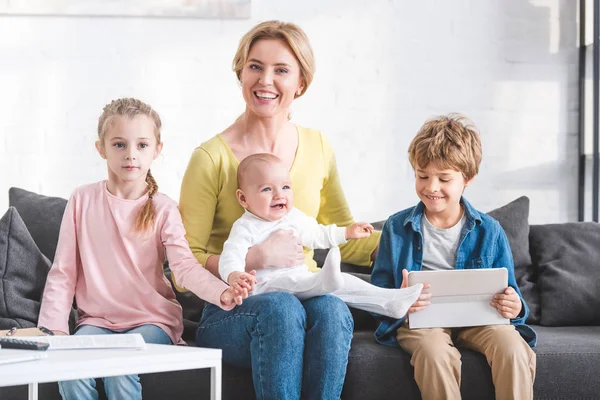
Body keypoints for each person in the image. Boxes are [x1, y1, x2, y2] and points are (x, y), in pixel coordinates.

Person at [179, 20, 380, 399]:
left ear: (301, 83)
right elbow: (184, 262)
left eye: (281, 70)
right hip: (232, 313)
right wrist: (253, 257)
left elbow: (343, 237)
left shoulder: (318, 146)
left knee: (332, 309)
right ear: (240, 72)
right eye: (255, 66)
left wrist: (413, 244)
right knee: (281, 308)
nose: (265, 80)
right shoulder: (210, 158)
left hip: (302, 295)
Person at [38, 98, 251, 400]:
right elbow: (63, 273)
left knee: (120, 367)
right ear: (101, 148)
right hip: (96, 323)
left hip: (152, 322)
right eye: (119, 144)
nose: (131, 155)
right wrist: (55, 331)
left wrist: (221, 292)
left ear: (156, 150)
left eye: (141, 145)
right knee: (70, 372)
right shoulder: (82, 200)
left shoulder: (163, 208)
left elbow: (185, 268)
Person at [371, 113, 537, 400]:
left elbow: (511, 292)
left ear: (468, 179)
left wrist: (513, 305)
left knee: (512, 348)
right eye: (422, 176)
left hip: (480, 320)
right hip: (423, 322)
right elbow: (378, 293)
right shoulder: (397, 228)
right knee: (434, 353)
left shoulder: (491, 231)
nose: (431, 187)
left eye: (444, 178)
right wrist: (399, 300)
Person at [219, 153, 423, 318]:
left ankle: (390, 301)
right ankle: (322, 283)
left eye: (285, 187)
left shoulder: (293, 216)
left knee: (343, 281)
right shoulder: (245, 227)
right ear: (243, 198)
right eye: (266, 189)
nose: (279, 195)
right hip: (265, 289)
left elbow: (317, 234)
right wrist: (234, 274)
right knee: (298, 283)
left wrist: (347, 232)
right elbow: (231, 255)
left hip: (301, 278)